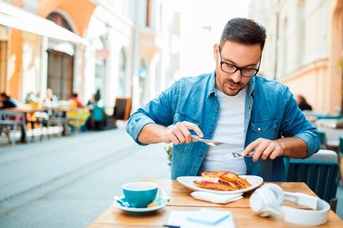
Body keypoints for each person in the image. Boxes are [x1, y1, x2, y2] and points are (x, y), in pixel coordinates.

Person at [126, 17, 320, 181]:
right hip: (193, 197)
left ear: (259, 60)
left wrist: (280, 145)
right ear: (216, 52)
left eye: (248, 69)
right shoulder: (184, 90)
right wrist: (165, 133)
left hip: (256, 200)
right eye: (229, 65)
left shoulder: (277, 96)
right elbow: (135, 121)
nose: (236, 77)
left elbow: (311, 139)